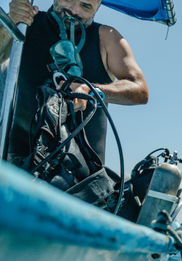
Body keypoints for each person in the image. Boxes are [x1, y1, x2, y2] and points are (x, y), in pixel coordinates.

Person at [0, 0, 148, 166]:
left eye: (85, 6)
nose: (73, 10)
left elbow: (140, 89)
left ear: (97, 8)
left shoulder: (107, 37)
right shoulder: (26, 23)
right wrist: (9, 23)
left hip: (79, 174)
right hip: (16, 160)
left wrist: (91, 90)